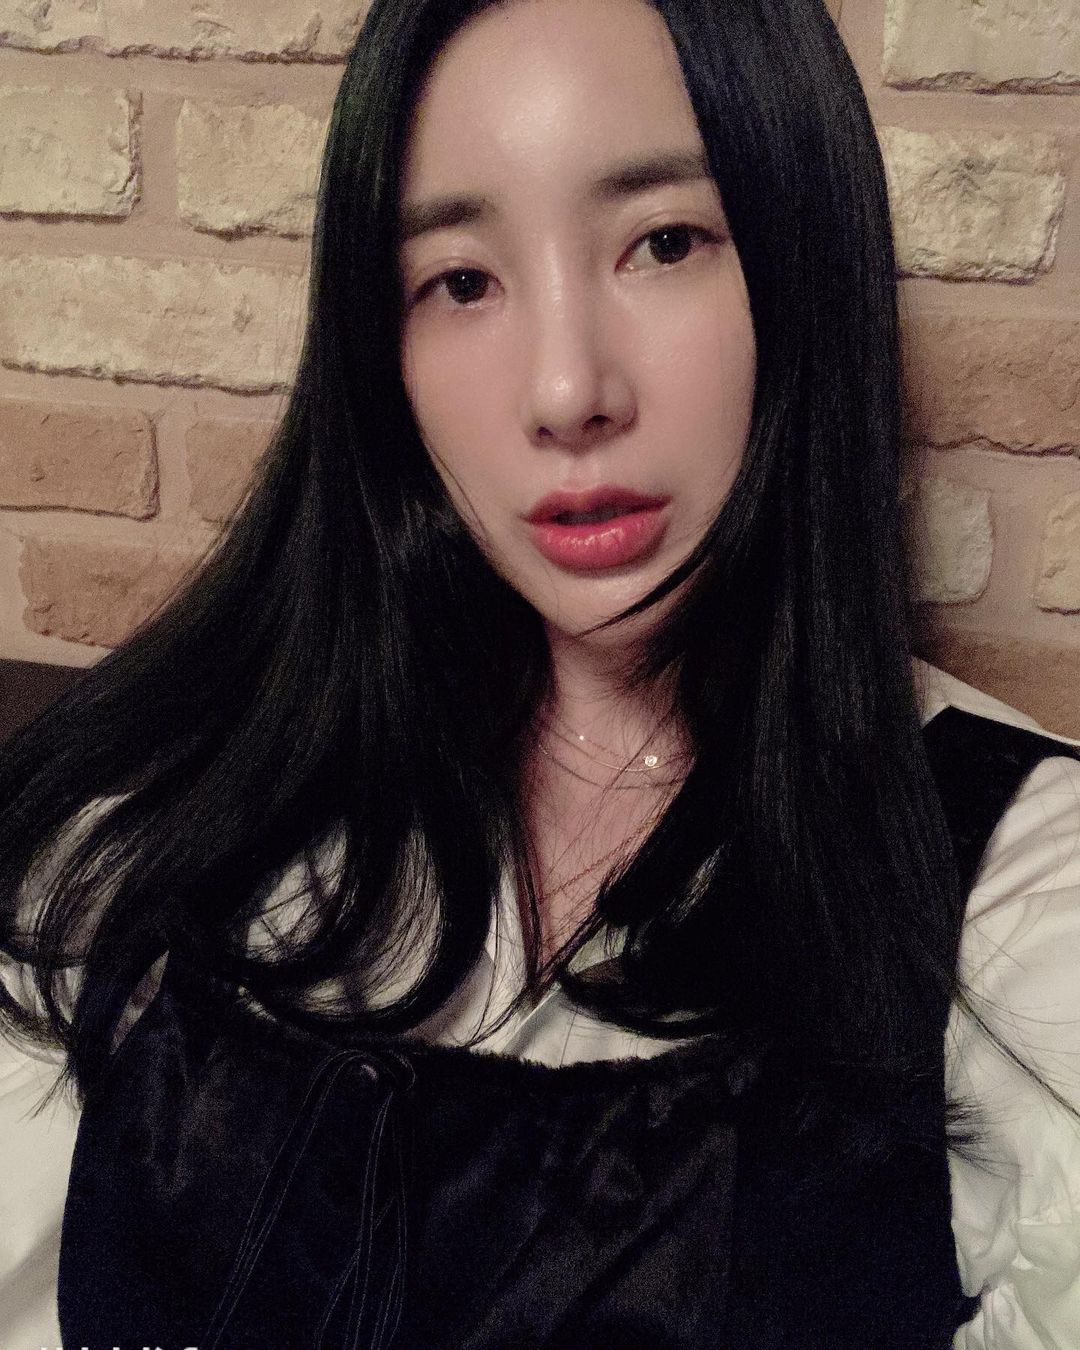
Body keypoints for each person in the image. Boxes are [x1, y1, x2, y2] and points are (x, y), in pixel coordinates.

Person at [1, 0, 1079, 1345]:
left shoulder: (1016, 894)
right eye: (461, 281)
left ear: (805, 260)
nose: (567, 392)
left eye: (665, 242)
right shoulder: (175, 815)